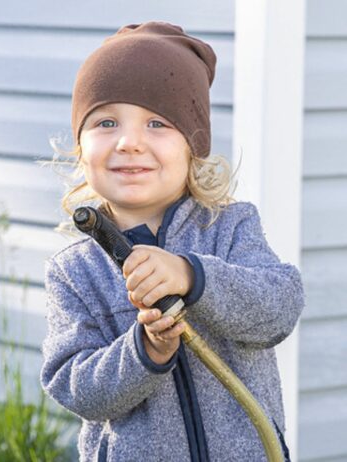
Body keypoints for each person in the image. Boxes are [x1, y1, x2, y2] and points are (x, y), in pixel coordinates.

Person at [40, 21, 304, 462]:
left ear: (193, 146)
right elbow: (75, 386)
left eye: (157, 123)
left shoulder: (230, 228)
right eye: (106, 122)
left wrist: (192, 276)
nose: (129, 142)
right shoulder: (75, 271)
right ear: (80, 148)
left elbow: (279, 308)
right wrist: (143, 351)